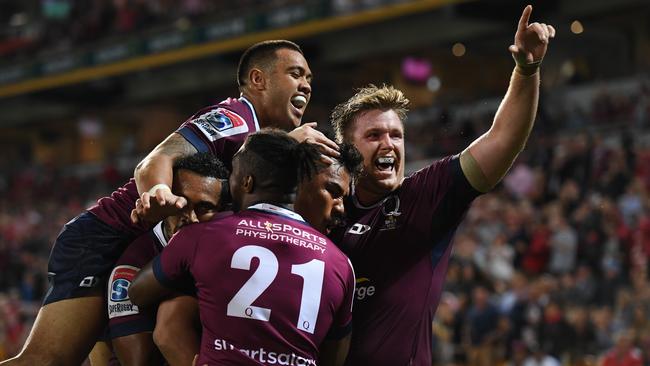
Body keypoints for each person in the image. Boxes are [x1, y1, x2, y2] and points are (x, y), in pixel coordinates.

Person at [1, 39, 337, 366]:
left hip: (148, 253)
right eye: (295, 74)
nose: (306, 85)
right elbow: (156, 159)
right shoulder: (235, 119)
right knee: (48, 360)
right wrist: (158, 191)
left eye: (309, 78)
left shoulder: (259, 143)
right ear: (257, 80)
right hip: (106, 238)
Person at [328, 6, 555, 365]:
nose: (388, 143)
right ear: (347, 150)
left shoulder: (424, 195)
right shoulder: (324, 208)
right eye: (373, 135)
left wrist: (526, 70)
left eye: (396, 135)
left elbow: (503, 140)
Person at [130, 130, 356, 366]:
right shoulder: (341, 263)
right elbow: (334, 356)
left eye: (234, 174)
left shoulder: (201, 236)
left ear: (247, 181)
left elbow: (137, 292)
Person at [106, 152, 229, 366]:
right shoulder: (134, 262)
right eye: (180, 203)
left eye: (204, 208)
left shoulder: (234, 246)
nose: (189, 217)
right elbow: (137, 362)